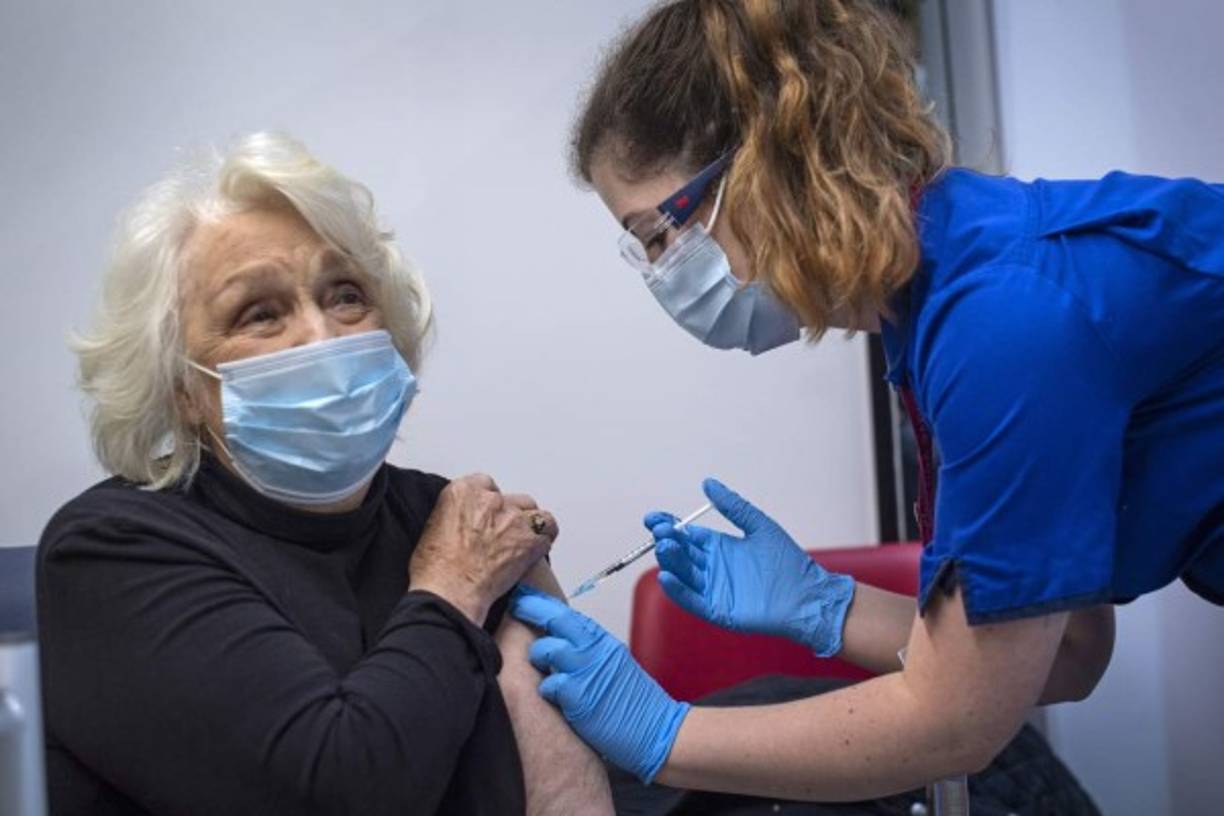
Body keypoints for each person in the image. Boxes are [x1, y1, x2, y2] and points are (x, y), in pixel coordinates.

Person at [511, 0, 1224, 802]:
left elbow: (955, 722)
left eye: (658, 234)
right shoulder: (932, 307)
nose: (661, 273)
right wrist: (822, 603)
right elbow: (1067, 654)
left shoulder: (999, 322)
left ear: (770, 157)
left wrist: (660, 732)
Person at [38, 132, 614, 816]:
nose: (322, 336)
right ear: (181, 389)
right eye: (261, 313)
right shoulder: (111, 552)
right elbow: (337, 789)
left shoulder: (443, 514)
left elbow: (568, 794)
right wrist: (456, 590)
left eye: (345, 295)